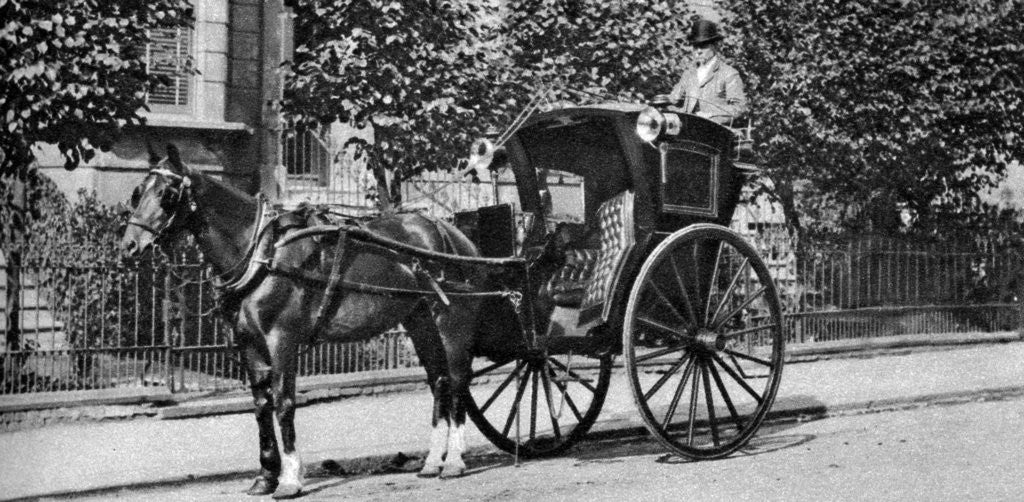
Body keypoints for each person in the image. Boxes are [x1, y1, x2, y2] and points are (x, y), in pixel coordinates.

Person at [668, 18, 748, 125]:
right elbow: (673, 99)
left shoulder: (729, 74)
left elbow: (739, 108)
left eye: (703, 46)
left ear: (714, 46)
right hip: (688, 128)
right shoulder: (689, 74)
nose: (698, 51)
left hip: (714, 129)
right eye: (695, 47)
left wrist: (711, 115)